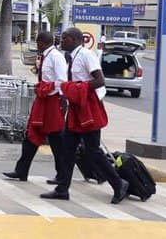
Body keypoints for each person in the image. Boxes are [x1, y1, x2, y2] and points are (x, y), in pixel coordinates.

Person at [40, 27, 129, 204]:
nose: (61, 41)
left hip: (88, 107)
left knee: (93, 151)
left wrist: (78, 88)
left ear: (74, 40)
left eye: (64, 38)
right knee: (68, 149)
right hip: (75, 108)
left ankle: (119, 184)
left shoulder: (86, 55)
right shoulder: (70, 57)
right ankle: (62, 189)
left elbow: (100, 80)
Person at [3, 31, 65, 182]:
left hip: (52, 101)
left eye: (38, 43)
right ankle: (21, 171)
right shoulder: (46, 56)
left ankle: (62, 175)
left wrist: (47, 89)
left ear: (42, 42)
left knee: (56, 139)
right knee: (32, 135)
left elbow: (63, 81)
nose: (37, 46)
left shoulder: (56, 57)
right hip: (43, 101)